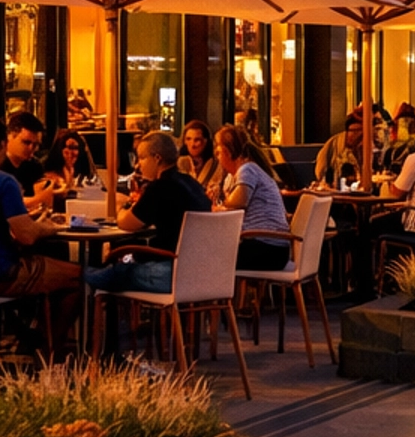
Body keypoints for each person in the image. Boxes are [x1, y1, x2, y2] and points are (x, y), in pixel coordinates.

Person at [0, 113, 85, 353]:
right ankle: (46, 346)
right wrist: (49, 227)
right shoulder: (2, 181)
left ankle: (29, 332)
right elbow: (26, 235)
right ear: (2, 144)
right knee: (78, 276)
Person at [85, 131, 211, 347]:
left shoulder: (161, 187)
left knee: (99, 274)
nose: (138, 165)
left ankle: (94, 347)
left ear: (157, 158)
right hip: (201, 274)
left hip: (170, 274)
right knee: (116, 266)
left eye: (141, 158)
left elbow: (127, 223)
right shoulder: (191, 184)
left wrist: (119, 207)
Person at [215, 123, 292, 270]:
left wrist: (219, 205)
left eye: (218, 152)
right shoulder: (234, 177)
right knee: (211, 251)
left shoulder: (248, 169)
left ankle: (215, 293)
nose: (217, 157)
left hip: (267, 248)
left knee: (208, 256)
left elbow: (240, 201)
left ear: (227, 152)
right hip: (270, 247)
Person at [2, 112, 53, 215]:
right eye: (26, 142)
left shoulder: (34, 166)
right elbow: (3, 203)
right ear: (10, 137)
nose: (32, 148)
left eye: (36, 144)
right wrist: (38, 199)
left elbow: (46, 201)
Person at [40, 127, 101, 194]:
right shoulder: (48, 176)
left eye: (75, 148)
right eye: (69, 148)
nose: (71, 153)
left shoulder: (84, 176)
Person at [314, 113, 367, 187]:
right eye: (352, 131)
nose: (353, 135)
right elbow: (321, 167)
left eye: (358, 131)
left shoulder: (366, 146)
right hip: (335, 185)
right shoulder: (334, 143)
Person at [177, 118, 220, 192]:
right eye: (188, 139)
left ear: (205, 141)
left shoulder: (216, 165)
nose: (192, 145)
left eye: (197, 140)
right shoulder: (178, 163)